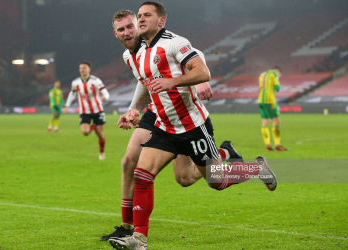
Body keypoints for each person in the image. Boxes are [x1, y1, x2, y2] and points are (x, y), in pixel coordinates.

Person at [108, 2, 277, 249]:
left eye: (147, 15)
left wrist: (177, 82)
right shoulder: (138, 52)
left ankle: (255, 169)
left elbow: (202, 70)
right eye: (140, 15)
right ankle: (139, 239)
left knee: (216, 181)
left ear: (161, 21)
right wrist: (135, 107)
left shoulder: (175, 42)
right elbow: (146, 83)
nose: (141, 19)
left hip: (193, 127)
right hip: (165, 127)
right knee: (143, 174)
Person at [63, 61, 110, 160]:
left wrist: (105, 97)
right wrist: (67, 106)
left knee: (100, 135)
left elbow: (105, 91)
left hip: (98, 110)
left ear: (89, 69)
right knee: (85, 132)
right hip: (84, 111)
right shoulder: (75, 83)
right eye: (80, 68)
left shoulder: (96, 80)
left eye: (84, 68)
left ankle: (101, 152)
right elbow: (72, 94)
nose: (82, 70)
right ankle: (93, 126)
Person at [258, 66, 288, 151]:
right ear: (278, 72)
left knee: (265, 121)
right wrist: (277, 80)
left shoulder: (262, 74)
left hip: (260, 101)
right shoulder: (274, 74)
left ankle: (267, 145)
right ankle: (277, 145)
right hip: (269, 101)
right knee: (276, 121)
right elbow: (277, 88)